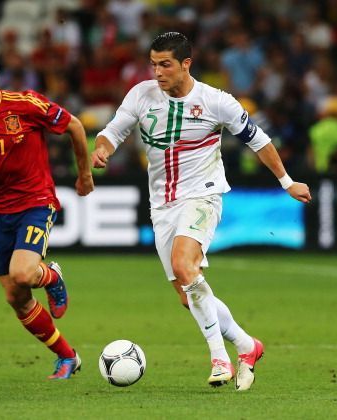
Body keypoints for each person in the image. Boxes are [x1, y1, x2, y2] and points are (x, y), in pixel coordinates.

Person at [91, 32, 311, 390]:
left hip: (203, 195)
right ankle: (246, 344)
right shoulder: (142, 95)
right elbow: (112, 131)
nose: (158, 72)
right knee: (186, 293)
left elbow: (260, 140)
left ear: (186, 64)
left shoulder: (216, 101)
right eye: (154, 64)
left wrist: (287, 182)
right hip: (162, 204)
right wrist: (103, 149)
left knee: (184, 265)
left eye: (165, 64)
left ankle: (218, 358)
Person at [0, 45, 94, 380]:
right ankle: (68, 357)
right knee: (16, 296)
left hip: (35, 201)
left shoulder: (25, 104)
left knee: (24, 272)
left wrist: (84, 174)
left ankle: (51, 276)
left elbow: (73, 126)